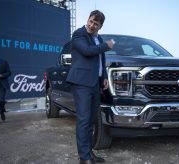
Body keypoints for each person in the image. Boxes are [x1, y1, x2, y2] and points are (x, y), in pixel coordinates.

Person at [66, 10, 114, 164]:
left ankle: (89, 152)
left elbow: (101, 60)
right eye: (91, 21)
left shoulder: (98, 38)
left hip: (94, 84)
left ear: (100, 26)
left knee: (92, 120)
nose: (92, 25)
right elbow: (87, 51)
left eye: (96, 24)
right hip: (81, 83)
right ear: (88, 19)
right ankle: (84, 158)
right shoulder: (79, 34)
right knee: (84, 120)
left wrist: (105, 77)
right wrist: (106, 45)